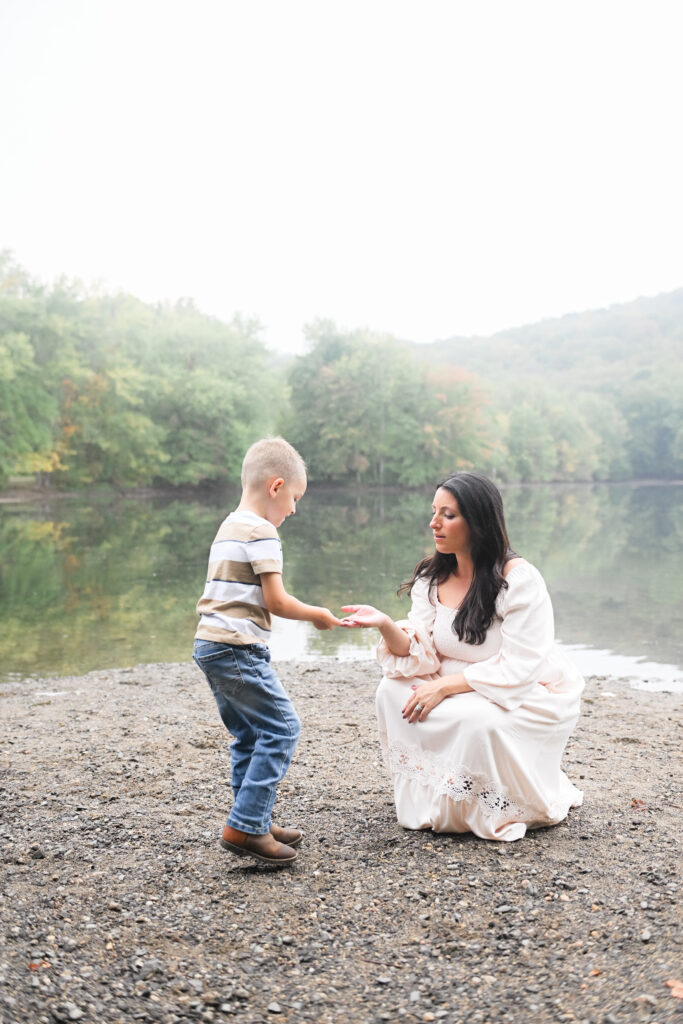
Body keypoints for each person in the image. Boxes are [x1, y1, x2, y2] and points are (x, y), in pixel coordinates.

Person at [341, 471, 584, 842]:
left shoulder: (518, 581)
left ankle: (485, 805)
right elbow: (420, 650)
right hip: (451, 679)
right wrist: (385, 624)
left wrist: (447, 688)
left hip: (511, 687)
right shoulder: (431, 577)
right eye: (434, 511)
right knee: (391, 691)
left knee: (478, 722)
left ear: (479, 521)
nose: (433, 523)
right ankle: (436, 800)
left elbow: (522, 665)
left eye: (448, 515)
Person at [193, 437, 341, 865]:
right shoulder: (262, 531)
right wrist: (317, 615)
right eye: (294, 497)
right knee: (283, 729)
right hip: (238, 648)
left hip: (210, 645)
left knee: (249, 735)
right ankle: (245, 828)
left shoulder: (229, 525)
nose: (294, 509)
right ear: (276, 487)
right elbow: (276, 601)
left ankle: (252, 816)